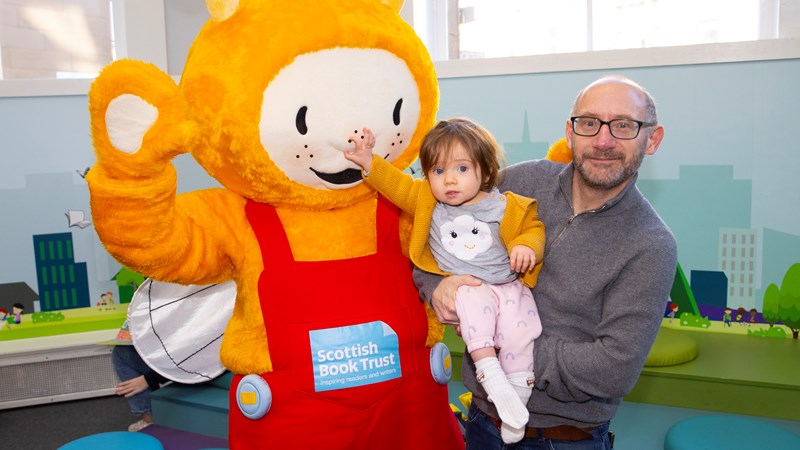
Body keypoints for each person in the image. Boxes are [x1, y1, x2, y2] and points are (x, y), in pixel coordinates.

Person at [414, 75, 677, 449]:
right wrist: (434, 284)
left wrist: (502, 342)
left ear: (652, 139)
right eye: (589, 123)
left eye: (623, 126)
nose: (603, 141)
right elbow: (432, 228)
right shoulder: (518, 183)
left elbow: (612, 368)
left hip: (564, 439)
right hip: (481, 420)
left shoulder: (650, 243)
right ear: (570, 133)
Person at [344, 118, 545, 443]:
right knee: (470, 302)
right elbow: (396, 185)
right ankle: (489, 372)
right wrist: (369, 160)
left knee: (521, 334)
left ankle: (515, 405)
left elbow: (533, 228)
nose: (449, 179)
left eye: (462, 169)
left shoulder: (504, 206)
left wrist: (526, 246)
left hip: (508, 286)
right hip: (470, 286)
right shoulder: (428, 202)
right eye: (438, 171)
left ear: (485, 168)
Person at [112, 345, 169, 432]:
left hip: (190, 370)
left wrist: (147, 379)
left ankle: (149, 420)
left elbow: (184, 361)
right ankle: (153, 415)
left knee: (122, 353)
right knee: (123, 349)